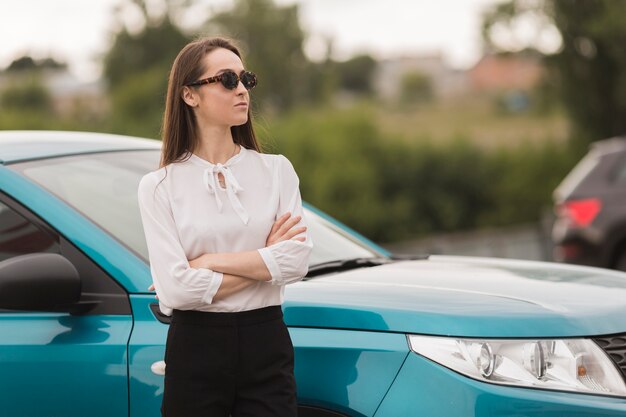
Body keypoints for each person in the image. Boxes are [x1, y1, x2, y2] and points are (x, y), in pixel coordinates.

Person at [137, 36, 313, 417]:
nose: (242, 90)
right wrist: (266, 263)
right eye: (227, 80)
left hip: (266, 339)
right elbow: (177, 290)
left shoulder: (277, 171)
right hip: (195, 347)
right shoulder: (159, 187)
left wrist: (208, 261)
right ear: (189, 95)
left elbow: (297, 261)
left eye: (245, 79)